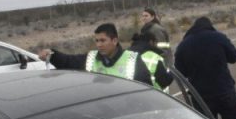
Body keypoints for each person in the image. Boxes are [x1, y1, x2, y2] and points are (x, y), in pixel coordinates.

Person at [37, 23, 172, 90]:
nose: (99, 45)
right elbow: (68, 61)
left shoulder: (132, 60)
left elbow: (145, 91)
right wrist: (52, 54)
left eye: (103, 40)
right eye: (96, 41)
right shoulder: (91, 58)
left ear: (114, 41)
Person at [174, 16, 236, 119]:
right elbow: (234, 57)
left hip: (200, 97)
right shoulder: (219, 37)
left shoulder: (183, 46)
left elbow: (180, 72)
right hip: (224, 91)